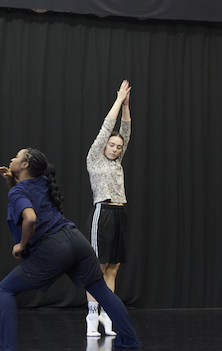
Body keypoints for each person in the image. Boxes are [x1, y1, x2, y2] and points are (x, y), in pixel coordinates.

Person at [0, 147, 141, 351]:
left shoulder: (20, 191)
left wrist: (22, 245)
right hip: (76, 240)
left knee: (5, 289)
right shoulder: (42, 182)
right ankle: (130, 340)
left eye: (16, 156)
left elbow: (30, 217)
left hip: (54, 248)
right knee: (101, 291)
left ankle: (5, 348)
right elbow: (21, 193)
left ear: (25, 165)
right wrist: (10, 179)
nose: (12, 158)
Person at [85, 80, 131, 337]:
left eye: (119, 146)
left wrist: (126, 106)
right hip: (102, 214)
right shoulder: (95, 158)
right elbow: (108, 128)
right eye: (112, 145)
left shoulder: (117, 162)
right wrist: (117, 100)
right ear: (104, 146)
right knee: (97, 267)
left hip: (120, 214)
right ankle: (92, 317)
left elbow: (126, 129)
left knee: (113, 267)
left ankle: (107, 315)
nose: (115, 148)